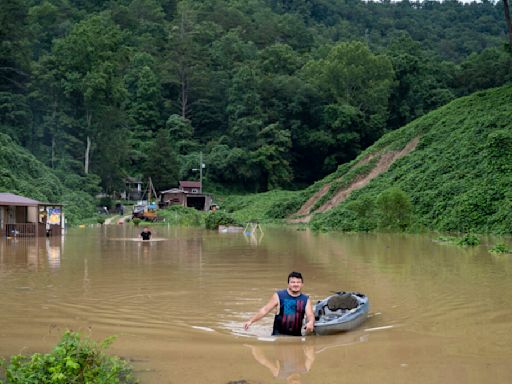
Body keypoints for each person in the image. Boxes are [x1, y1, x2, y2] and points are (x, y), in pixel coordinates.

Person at [244, 271, 315, 336]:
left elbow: (310, 315)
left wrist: (311, 322)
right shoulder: (279, 295)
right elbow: (265, 310)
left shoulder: (306, 299)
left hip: (296, 336)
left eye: (298, 282)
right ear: (288, 284)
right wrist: (250, 321)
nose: (296, 284)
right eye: (293, 282)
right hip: (278, 336)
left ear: (302, 284)